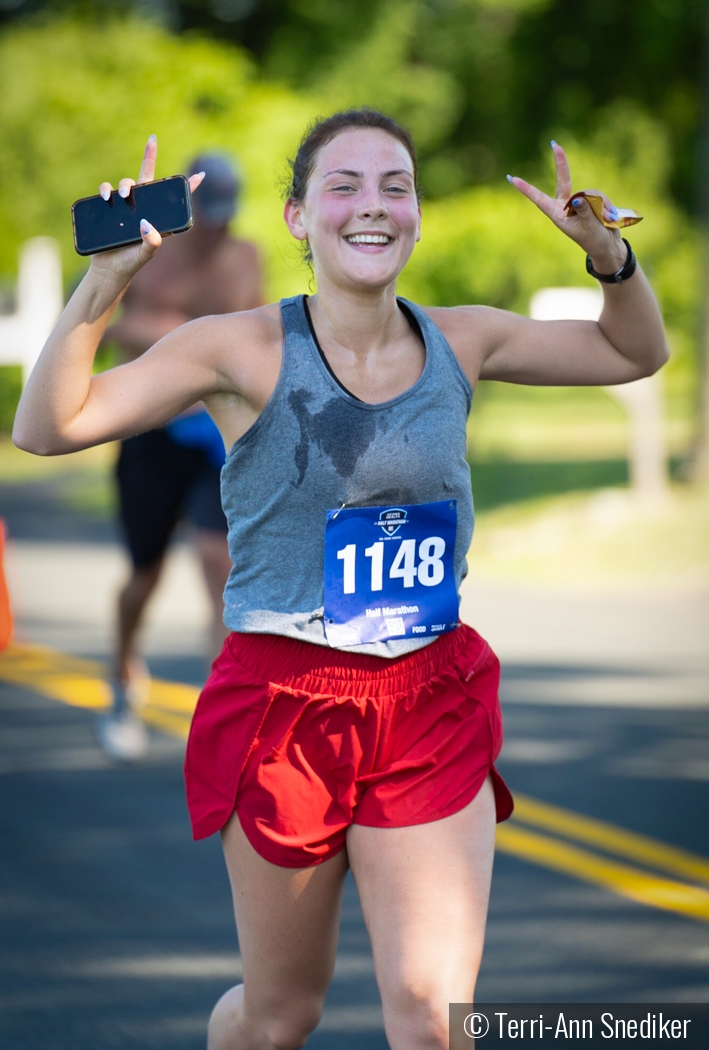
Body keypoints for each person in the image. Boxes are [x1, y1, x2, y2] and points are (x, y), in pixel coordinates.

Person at [13, 111, 668, 1050]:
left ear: (416, 214)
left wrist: (609, 258)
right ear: (296, 217)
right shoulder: (235, 348)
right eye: (344, 186)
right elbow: (48, 427)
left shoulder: (463, 339)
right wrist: (106, 281)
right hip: (283, 705)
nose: (373, 205)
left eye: (395, 185)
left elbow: (633, 352)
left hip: (428, 697)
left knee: (431, 1017)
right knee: (281, 1016)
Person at [99, 151, 263, 761]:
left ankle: (226, 716)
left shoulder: (244, 258)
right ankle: (121, 676)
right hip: (148, 432)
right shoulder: (150, 252)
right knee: (144, 576)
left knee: (217, 563)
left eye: (226, 212)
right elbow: (104, 325)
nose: (218, 224)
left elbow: (256, 334)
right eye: (208, 212)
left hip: (213, 433)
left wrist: (176, 331)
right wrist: (181, 331)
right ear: (187, 208)